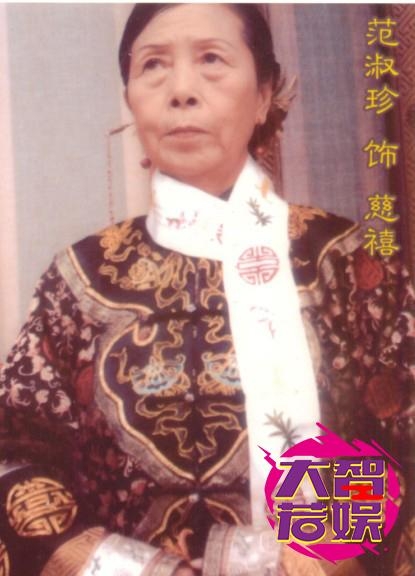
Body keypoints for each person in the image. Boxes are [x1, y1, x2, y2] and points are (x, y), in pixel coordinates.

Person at [0, 4, 414, 576]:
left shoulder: (342, 261)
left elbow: (404, 439)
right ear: (131, 98)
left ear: (263, 94)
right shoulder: (80, 278)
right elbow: (15, 453)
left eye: (212, 59)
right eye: (153, 65)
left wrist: (302, 559)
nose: (181, 91)